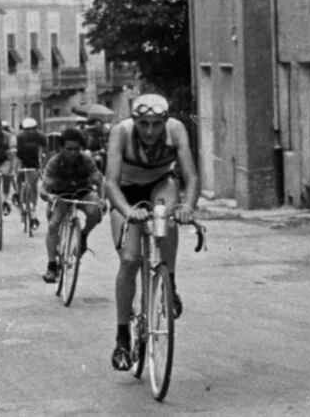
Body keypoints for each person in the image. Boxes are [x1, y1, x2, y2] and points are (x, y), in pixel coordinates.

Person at [104, 93, 199, 371]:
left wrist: (187, 208)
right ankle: (123, 337)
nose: (149, 131)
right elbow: (110, 184)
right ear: (135, 121)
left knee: (164, 220)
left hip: (160, 184)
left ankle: (169, 281)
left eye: (156, 124)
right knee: (130, 259)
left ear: (165, 122)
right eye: (143, 123)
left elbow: (191, 176)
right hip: (126, 193)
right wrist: (128, 211)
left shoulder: (176, 130)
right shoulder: (120, 133)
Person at [40, 127, 103, 283]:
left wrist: (102, 199)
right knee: (53, 224)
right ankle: (52, 266)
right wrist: (49, 197)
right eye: (69, 149)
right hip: (61, 195)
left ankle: (83, 234)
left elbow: (99, 179)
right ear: (61, 148)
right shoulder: (54, 163)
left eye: (76, 149)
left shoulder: (86, 160)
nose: (73, 153)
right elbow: (43, 190)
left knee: (95, 211)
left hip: (82, 191)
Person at [14, 117, 47, 230]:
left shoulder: (40, 136)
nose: (31, 131)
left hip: (33, 161)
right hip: (21, 159)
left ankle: (33, 209)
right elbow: (14, 153)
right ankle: (19, 195)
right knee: (18, 177)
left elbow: (46, 151)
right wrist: (15, 167)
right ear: (23, 129)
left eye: (33, 129)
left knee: (33, 184)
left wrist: (42, 166)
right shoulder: (18, 137)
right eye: (28, 129)